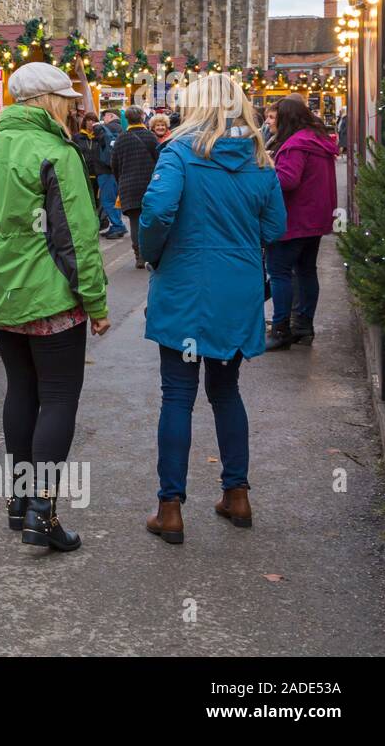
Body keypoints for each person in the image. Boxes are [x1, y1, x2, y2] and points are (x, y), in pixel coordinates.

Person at [0, 62, 110, 552]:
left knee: (21, 390)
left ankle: (19, 502)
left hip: (1, 291)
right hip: (50, 294)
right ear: (49, 101)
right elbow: (78, 239)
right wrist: (97, 300)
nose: (73, 105)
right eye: (67, 98)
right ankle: (42, 514)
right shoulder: (55, 152)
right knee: (60, 397)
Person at [138, 74, 286, 545]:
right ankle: (237, 494)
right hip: (236, 289)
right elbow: (276, 226)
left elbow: (157, 212)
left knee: (177, 396)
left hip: (184, 287)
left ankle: (170, 507)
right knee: (226, 392)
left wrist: (155, 253)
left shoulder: (180, 153)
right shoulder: (260, 162)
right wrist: (240, 248)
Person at [264, 94, 339, 350]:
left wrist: (268, 166)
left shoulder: (295, 144)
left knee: (279, 272)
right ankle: (303, 326)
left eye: (273, 118)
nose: (269, 122)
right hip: (315, 218)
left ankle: (281, 329)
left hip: (293, 219)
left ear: (286, 118)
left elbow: (287, 180)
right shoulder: (316, 140)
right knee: (306, 271)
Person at [111, 106, 161, 268]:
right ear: (141, 117)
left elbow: (114, 165)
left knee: (135, 222)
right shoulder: (150, 137)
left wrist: (121, 182)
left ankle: (139, 255)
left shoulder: (121, 138)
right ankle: (151, 253)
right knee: (151, 220)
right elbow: (160, 162)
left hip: (128, 186)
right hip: (150, 185)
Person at [94, 109, 126, 239]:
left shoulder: (106, 128)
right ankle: (116, 225)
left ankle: (117, 226)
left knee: (107, 200)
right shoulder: (121, 129)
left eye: (105, 116)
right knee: (115, 200)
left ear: (111, 116)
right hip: (116, 169)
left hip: (105, 170)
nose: (103, 118)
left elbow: (101, 145)